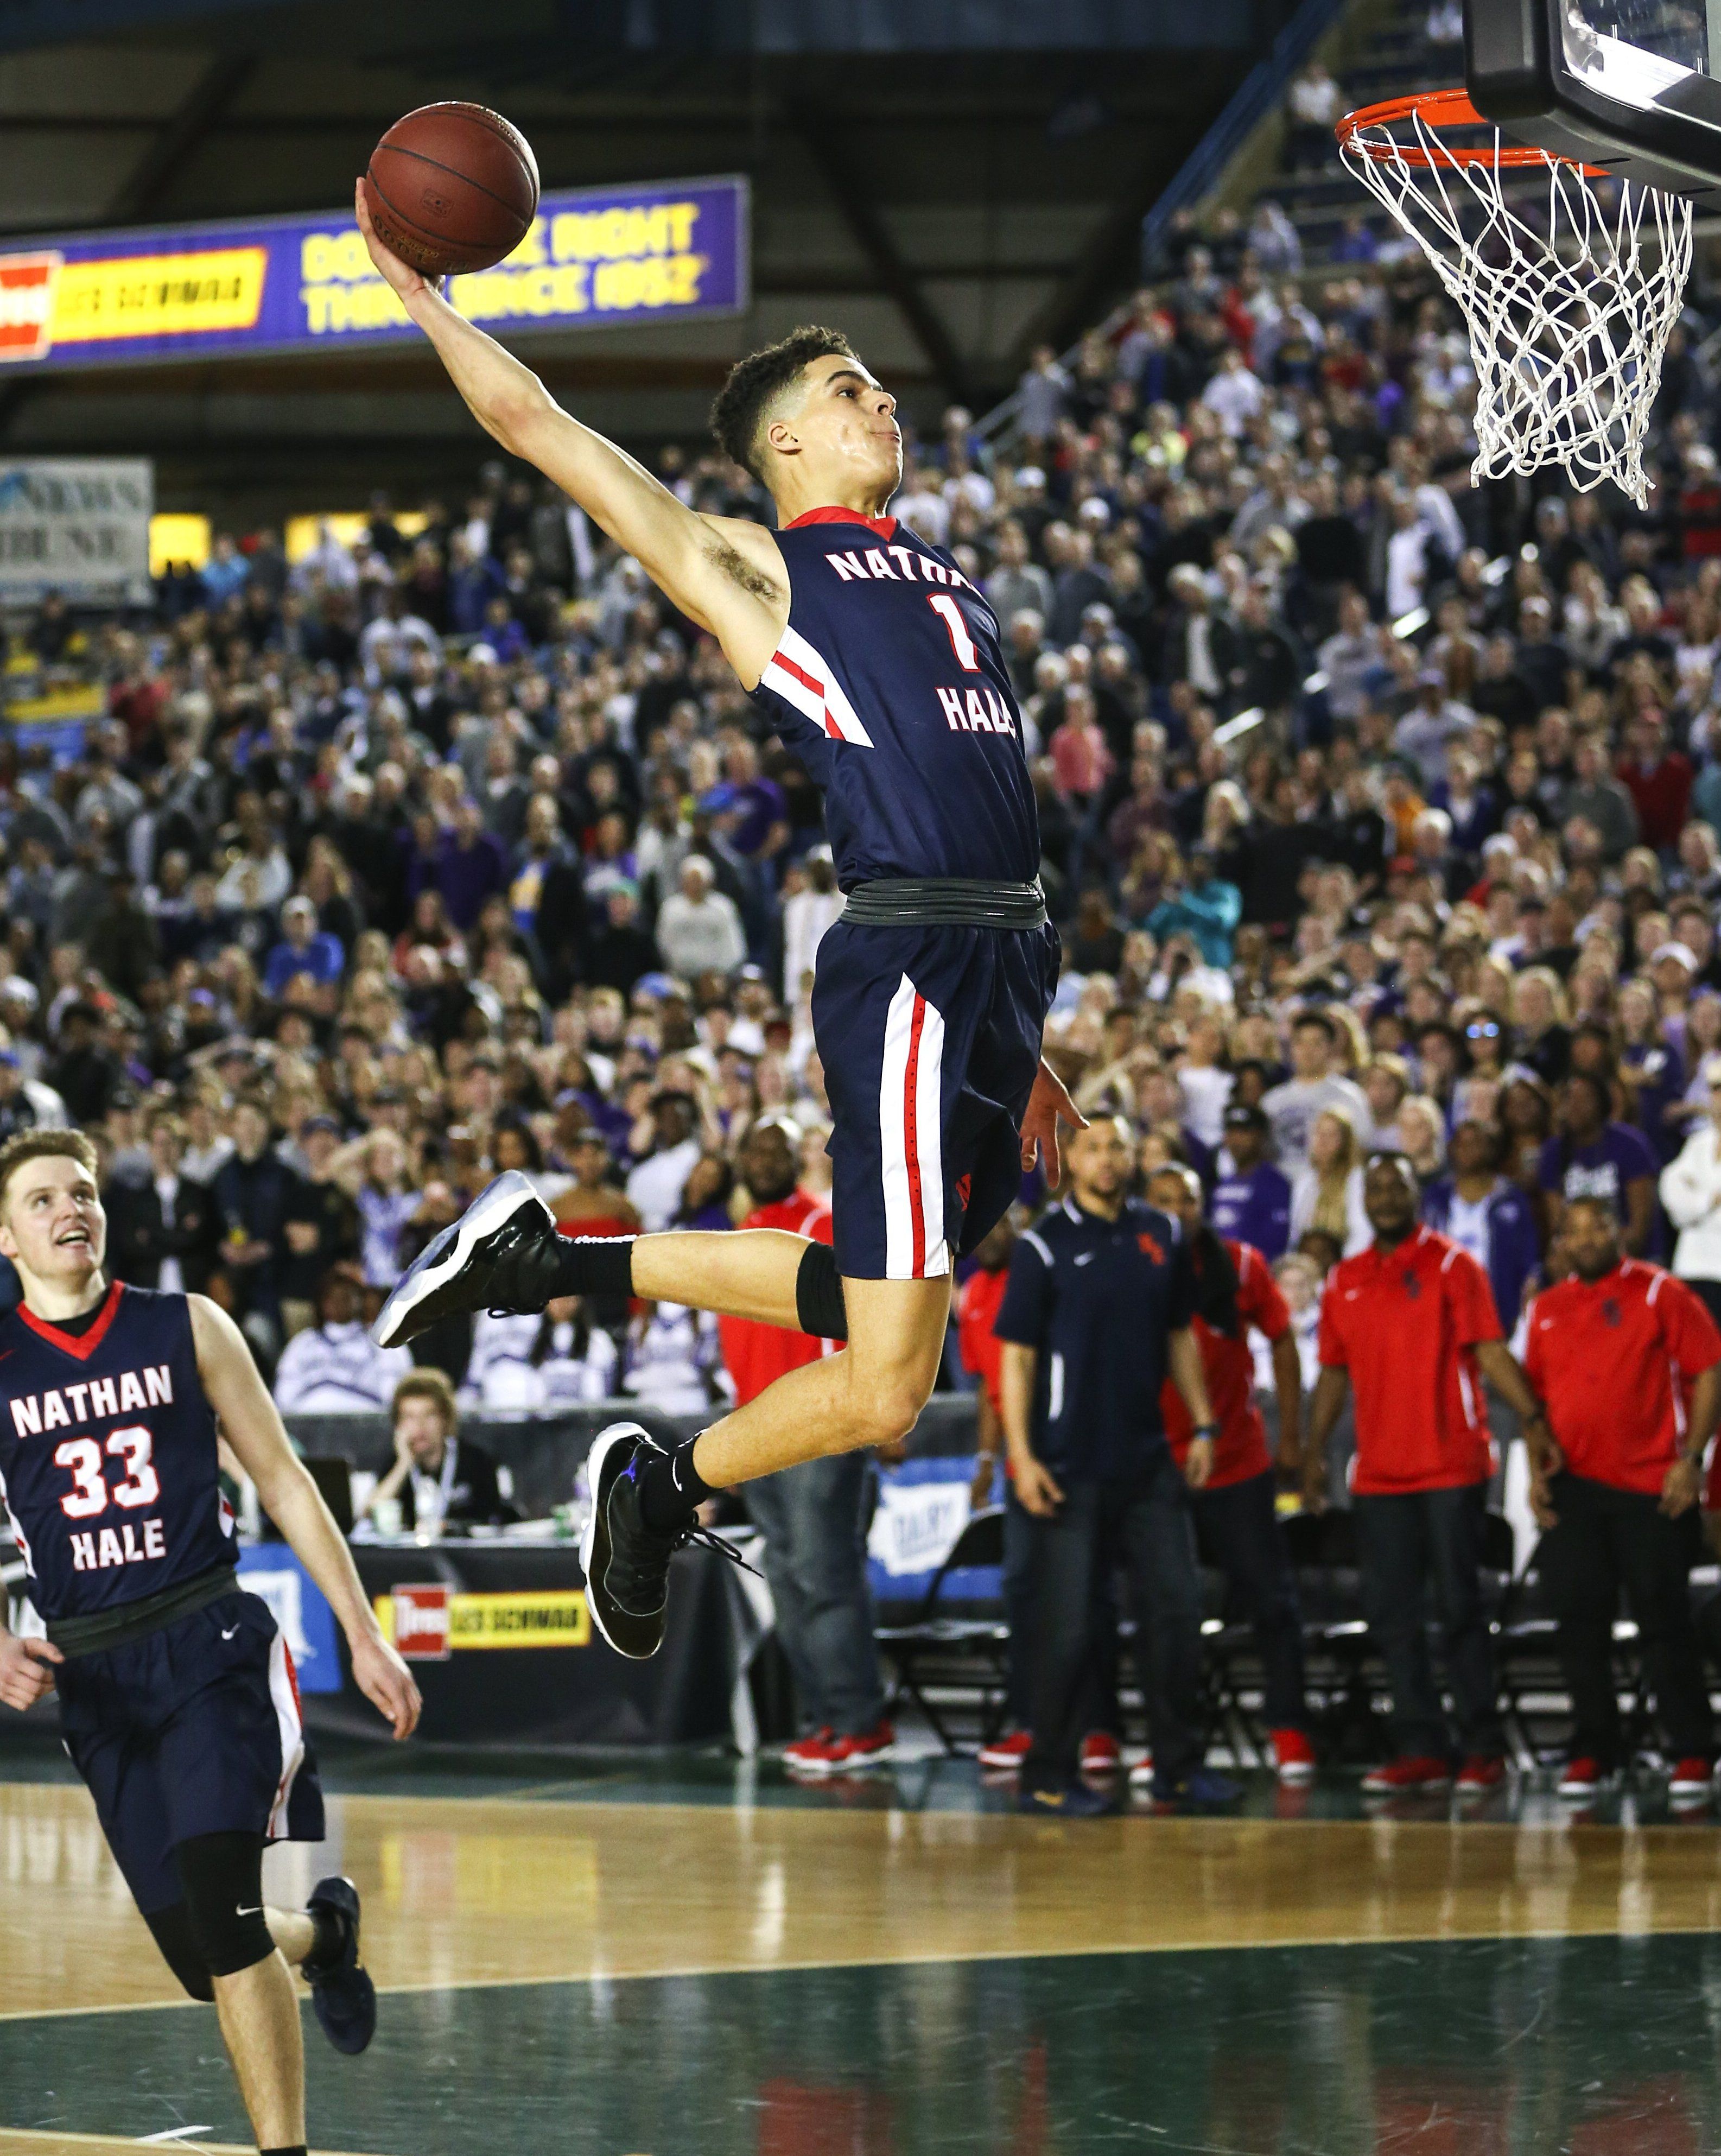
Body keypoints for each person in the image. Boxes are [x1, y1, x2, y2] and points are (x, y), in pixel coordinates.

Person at [358, 191, 1081, 1666]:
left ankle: (543, 1264)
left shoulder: (950, 577)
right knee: (886, 1387)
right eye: (843, 392)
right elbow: (540, 429)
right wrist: (419, 296)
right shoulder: (758, 572)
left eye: (874, 384)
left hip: (1005, 964)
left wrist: (1037, 1037)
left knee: (862, 1293)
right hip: (910, 967)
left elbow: (990, 797)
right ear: (789, 450)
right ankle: (653, 1484)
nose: (880, 398)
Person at [0, 1128, 421, 2155]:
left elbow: (283, 1478)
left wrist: (362, 1632)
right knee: (202, 1955)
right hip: (93, 1671)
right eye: (45, 1198)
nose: (72, 1210)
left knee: (228, 1921)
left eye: (85, 1193)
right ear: (7, 1234)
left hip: (208, 1639)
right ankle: (326, 1930)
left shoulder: (187, 1324)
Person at [992, 1115, 1234, 1816]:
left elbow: (1180, 1336)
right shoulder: (1041, 1245)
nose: (1106, 1159)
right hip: (1068, 1465)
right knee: (1066, 1629)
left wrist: (1204, 1423)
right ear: (1068, 1159)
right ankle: (1048, 1770)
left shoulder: (1160, 1235)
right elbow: (1017, 1358)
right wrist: (1022, 1455)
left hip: (1147, 1461)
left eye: (1117, 1146)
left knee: (1178, 1614)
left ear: (1133, 1157)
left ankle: (1177, 1768)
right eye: (1092, 1147)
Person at [1306, 1151, 1548, 1795]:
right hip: (1379, 1476)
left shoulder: (1452, 1264)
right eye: (1376, 1186)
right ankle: (1421, 1748)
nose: (1386, 1196)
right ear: (1363, 1201)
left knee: (1461, 1610)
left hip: (1451, 1467)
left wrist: (1532, 1416)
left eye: (1397, 1185)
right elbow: (1331, 1373)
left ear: (1418, 1195)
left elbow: (1491, 1350)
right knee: (1394, 1615)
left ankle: (1482, 1748)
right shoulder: (1343, 1280)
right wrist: (1309, 1449)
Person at [1522, 1195, 1721, 1804]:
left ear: (1618, 1231)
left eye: (1596, 1227)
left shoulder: (1661, 1292)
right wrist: (1535, 1473)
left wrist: (1692, 1460)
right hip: (1574, 1488)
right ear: (1559, 1243)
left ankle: (1691, 1749)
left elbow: (1710, 1369)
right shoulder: (1545, 1309)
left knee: (1664, 1623)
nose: (1585, 1240)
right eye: (1573, 1230)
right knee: (1580, 1626)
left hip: (1650, 1486)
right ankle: (1594, 1751)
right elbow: (1538, 1405)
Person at [716, 1115, 893, 1774]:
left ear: (798, 1157)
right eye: (753, 1147)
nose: (763, 1157)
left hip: (821, 1429)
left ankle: (858, 1721)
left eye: (777, 1147)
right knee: (788, 1581)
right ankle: (825, 1720)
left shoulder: (822, 1222)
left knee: (825, 1576)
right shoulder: (737, 1236)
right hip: (761, 1436)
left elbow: (865, 1321)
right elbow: (738, 1350)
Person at [1147, 1165, 1313, 1784]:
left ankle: (1289, 1728)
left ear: (1202, 1205)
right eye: (1163, 1200)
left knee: (1273, 1603)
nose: (1177, 1209)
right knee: (1169, 1614)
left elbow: (1284, 1340)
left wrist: (1292, 1434)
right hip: (1158, 1468)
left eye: (1186, 1198)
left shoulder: (1242, 1264)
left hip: (1237, 1461)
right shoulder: (1136, 1265)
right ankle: (1172, 1743)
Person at [358, 1368, 516, 1534]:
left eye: (429, 1415)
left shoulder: (476, 1462)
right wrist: (404, 1464)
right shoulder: (395, 1464)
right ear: (398, 1424)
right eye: (409, 1417)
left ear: (446, 1419)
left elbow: (492, 1523)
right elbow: (370, 1514)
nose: (420, 1426)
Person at [1420, 1119, 1542, 1331]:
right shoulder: (1435, 1198)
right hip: (1445, 1311)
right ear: (1451, 1149)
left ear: (1491, 1149)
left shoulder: (1511, 1198)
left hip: (1500, 1310)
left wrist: (1526, 1300)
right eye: (1462, 1143)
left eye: (1476, 1142)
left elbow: (1529, 1256)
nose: (1468, 1150)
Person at [1539, 1069, 1658, 1255]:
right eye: (1568, 1099)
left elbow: (1639, 1229)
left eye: (1584, 1099)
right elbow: (1559, 1228)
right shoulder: (1553, 1151)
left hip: (1629, 1254)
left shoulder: (1631, 1145)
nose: (1574, 1106)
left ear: (1602, 1104)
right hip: (1579, 1256)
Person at [272, 1263, 412, 1416]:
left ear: (361, 1300)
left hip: (366, 1424)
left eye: (346, 1296)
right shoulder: (302, 1343)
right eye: (332, 1297)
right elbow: (284, 1397)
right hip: (308, 1424)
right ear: (321, 1303)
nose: (338, 1303)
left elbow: (395, 1395)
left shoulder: (382, 1339)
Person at [1262, 1011, 1370, 1174]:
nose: (1308, 1050)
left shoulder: (1350, 1096)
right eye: (1301, 1043)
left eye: (1317, 1043)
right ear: (1291, 1048)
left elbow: (1361, 1149)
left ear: (1331, 1048)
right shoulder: (1272, 1100)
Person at [1659, 1058, 1721, 1333]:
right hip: (1692, 1267)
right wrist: (1710, 1200)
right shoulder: (1697, 1143)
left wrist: (1696, 1194)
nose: (1719, 1097)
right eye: (1715, 1089)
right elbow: (1670, 1190)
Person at [1209, 1101, 1293, 1260]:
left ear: (1261, 1136)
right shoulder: (1223, 1184)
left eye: (1244, 1133)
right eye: (1231, 1132)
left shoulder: (1275, 1184)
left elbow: (1275, 1242)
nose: (1236, 1140)